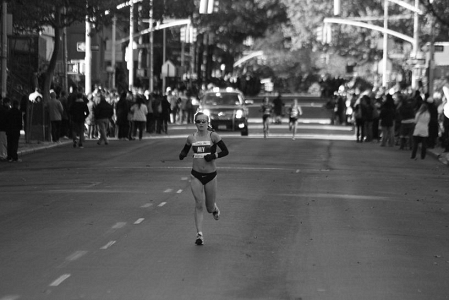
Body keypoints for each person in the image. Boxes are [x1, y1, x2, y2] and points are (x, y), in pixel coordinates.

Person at [178, 112, 229, 246]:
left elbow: (225, 151)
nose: (201, 124)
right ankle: (199, 234)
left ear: (207, 122)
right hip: (196, 175)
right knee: (198, 204)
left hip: (211, 175)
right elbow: (185, 150)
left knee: (208, 207)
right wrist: (182, 154)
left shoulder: (213, 136)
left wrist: (213, 156)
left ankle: (214, 208)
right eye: (198, 121)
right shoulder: (191, 138)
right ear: (195, 123)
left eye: (203, 121)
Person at [0, 97, 11, 161]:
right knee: (3, 142)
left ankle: (3, 154)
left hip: (3, 128)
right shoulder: (4, 110)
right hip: (3, 128)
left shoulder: (3, 109)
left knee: (3, 142)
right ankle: (3, 155)